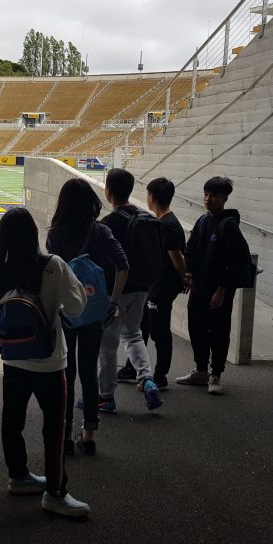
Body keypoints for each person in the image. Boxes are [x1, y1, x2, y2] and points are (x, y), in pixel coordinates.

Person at [0, 207, 90, 518]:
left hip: (14, 360)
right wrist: (80, 293)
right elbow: (76, 308)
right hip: (49, 362)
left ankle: (18, 475)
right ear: (33, 234)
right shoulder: (53, 266)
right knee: (55, 427)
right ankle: (55, 492)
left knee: (12, 419)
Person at [46, 178, 130, 457]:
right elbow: (123, 265)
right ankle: (89, 436)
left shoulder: (55, 233)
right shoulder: (101, 231)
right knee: (89, 373)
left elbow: (54, 274)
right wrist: (113, 302)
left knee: (65, 374)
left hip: (66, 312)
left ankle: (66, 435)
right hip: (94, 310)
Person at [96, 168, 163, 414]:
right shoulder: (144, 217)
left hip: (116, 291)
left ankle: (105, 397)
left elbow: (104, 262)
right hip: (142, 287)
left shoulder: (108, 223)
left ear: (109, 192)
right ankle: (146, 378)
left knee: (108, 345)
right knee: (133, 335)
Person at [175, 176, 249, 395]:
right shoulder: (203, 221)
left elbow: (235, 262)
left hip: (218, 291)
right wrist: (188, 272)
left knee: (218, 331)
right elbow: (191, 248)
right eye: (206, 194)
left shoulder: (229, 226)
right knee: (196, 328)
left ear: (225, 198)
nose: (208, 199)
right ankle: (200, 370)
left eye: (214, 196)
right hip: (200, 287)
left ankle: (216, 374)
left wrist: (222, 290)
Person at [116, 178, 190, 389]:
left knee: (159, 331)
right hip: (155, 285)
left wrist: (184, 277)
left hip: (161, 287)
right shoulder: (166, 222)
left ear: (152, 198)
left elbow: (176, 258)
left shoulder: (167, 226)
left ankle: (160, 376)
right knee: (142, 326)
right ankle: (133, 369)